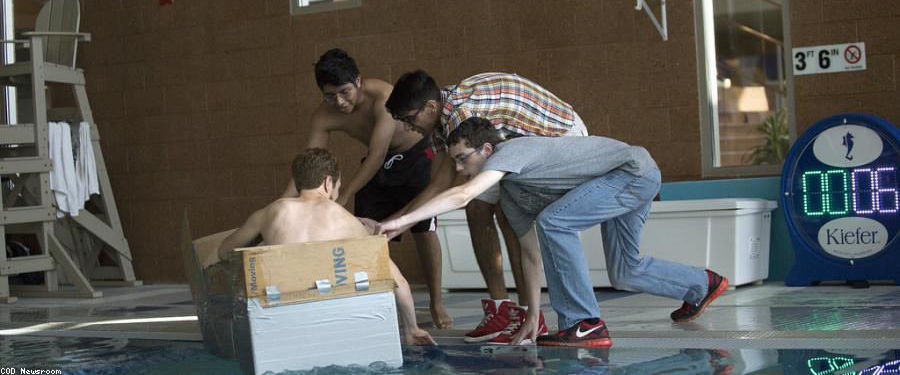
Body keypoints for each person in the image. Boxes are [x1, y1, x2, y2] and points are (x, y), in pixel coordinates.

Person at [377, 117, 729, 347]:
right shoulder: (512, 193)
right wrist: (533, 314)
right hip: (628, 179)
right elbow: (530, 253)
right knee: (625, 270)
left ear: (486, 150)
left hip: (632, 171)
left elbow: (462, 196)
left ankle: (584, 322)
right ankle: (701, 284)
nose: (458, 168)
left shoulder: (514, 150)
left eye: (462, 158)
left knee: (554, 221)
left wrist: (397, 222)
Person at [384, 70, 587, 343]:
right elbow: (438, 183)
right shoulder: (442, 118)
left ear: (430, 107)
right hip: (517, 141)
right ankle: (502, 309)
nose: (408, 128)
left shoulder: (461, 116)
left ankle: (530, 317)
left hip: (561, 137)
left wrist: (395, 224)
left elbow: (453, 190)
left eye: (409, 119)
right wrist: (393, 224)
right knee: (479, 209)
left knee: (507, 210)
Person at [281, 49, 451, 328]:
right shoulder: (323, 116)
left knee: (423, 229)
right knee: (364, 233)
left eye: (345, 92)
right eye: (329, 95)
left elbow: (376, 154)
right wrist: (284, 205)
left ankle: (436, 302)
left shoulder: (383, 97)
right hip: (380, 167)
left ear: (358, 81)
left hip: (416, 155)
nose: (338, 101)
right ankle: (376, 301)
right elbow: (307, 167)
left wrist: (343, 197)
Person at [220, 148, 436, 346]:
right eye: (338, 184)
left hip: (278, 317)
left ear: (297, 183)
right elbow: (397, 280)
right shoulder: (346, 220)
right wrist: (411, 328)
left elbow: (224, 252)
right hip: (329, 318)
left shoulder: (270, 212)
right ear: (328, 182)